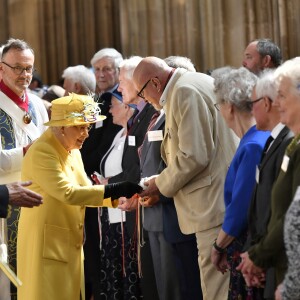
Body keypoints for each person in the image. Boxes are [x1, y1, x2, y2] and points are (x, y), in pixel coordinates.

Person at [16, 93, 142, 300]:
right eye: (80, 127)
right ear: (61, 126)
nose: (86, 133)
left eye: (88, 127)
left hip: (67, 241)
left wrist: (117, 199)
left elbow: (85, 188)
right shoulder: (42, 152)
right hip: (45, 243)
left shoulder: (72, 150)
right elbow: (69, 193)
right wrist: (117, 189)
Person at [133, 56, 238, 300]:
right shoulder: (198, 81)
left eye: (142, 92)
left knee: (216, 287)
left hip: (210, 204)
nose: (144, 100)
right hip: (223, 195)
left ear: (156, 83)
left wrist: (159, 184)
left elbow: (194, 155)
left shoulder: (183, 91)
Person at [238, 57, 300, 292]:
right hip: (282, 265)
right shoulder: (293, 143)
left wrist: (259, 256)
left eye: (283, 96)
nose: (277, 103)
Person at [210, 67, 270, 298]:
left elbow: (241, 207)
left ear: (229, 106)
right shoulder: (254, 138)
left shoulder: (253, 144)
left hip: (247, 243)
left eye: (219, 105)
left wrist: (218, 246)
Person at [0, 38, 49, 299]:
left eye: (29, 68)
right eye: (17, 68)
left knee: (34, 276)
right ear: (1, 68)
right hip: (4, 201)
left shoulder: (39, 104)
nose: (25, 75)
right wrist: (29, 152)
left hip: (37, 199)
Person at [82, 48, 124, 299]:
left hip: (107, 181)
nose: (101, 74)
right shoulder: (95, 100)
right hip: (90, 182)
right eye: (97, 69)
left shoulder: (120, 100)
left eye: (107, 68)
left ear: (118, 71)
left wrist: (89, 171)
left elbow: (106, 143)